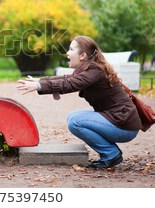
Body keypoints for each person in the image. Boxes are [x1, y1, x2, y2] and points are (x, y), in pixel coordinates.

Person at [17, 36, 141, 169]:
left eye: (71, 49)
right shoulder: (89, 69)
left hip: (124, 126)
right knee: (74, 118)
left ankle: (110, 154)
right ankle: (110, 153)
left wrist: (39, 85)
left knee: (75, 121)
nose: (67, 53)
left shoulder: (95, 70)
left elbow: (71, 83)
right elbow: (67, 78)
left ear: (82, 55)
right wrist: (40, 81)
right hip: (120, 121)